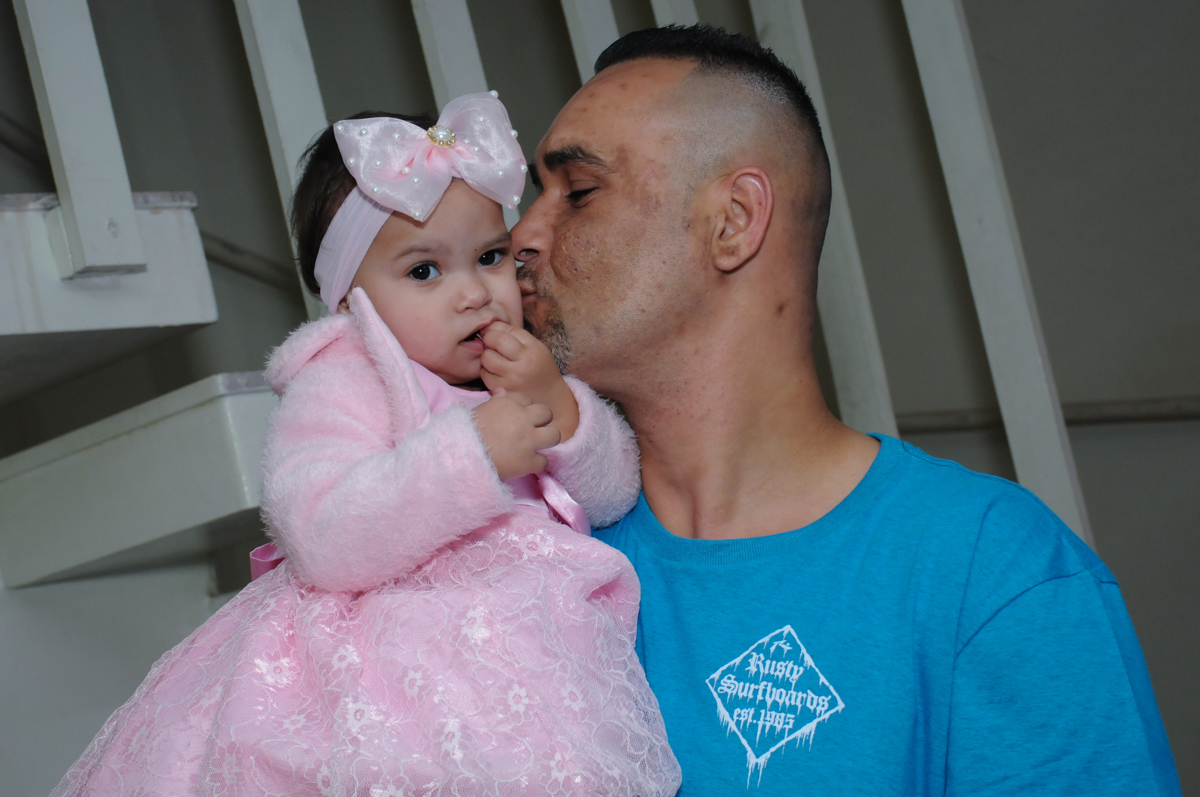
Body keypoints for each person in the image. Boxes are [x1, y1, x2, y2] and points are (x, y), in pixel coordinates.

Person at [511, 25, 1181, 795]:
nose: (522, 233)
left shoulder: (993, 572)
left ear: (733, 221)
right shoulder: (524, 542)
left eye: (579, 192)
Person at [51, 93, 680, 797]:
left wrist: (562, 412)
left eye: (491, 256)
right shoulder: (348, 374)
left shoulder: (522, 369)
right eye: (424, 271)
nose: (474, 292)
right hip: (392, 661)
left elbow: (616, 490)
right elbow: (320, 529)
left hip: (533, 654)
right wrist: (470, 452)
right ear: (352, 301)